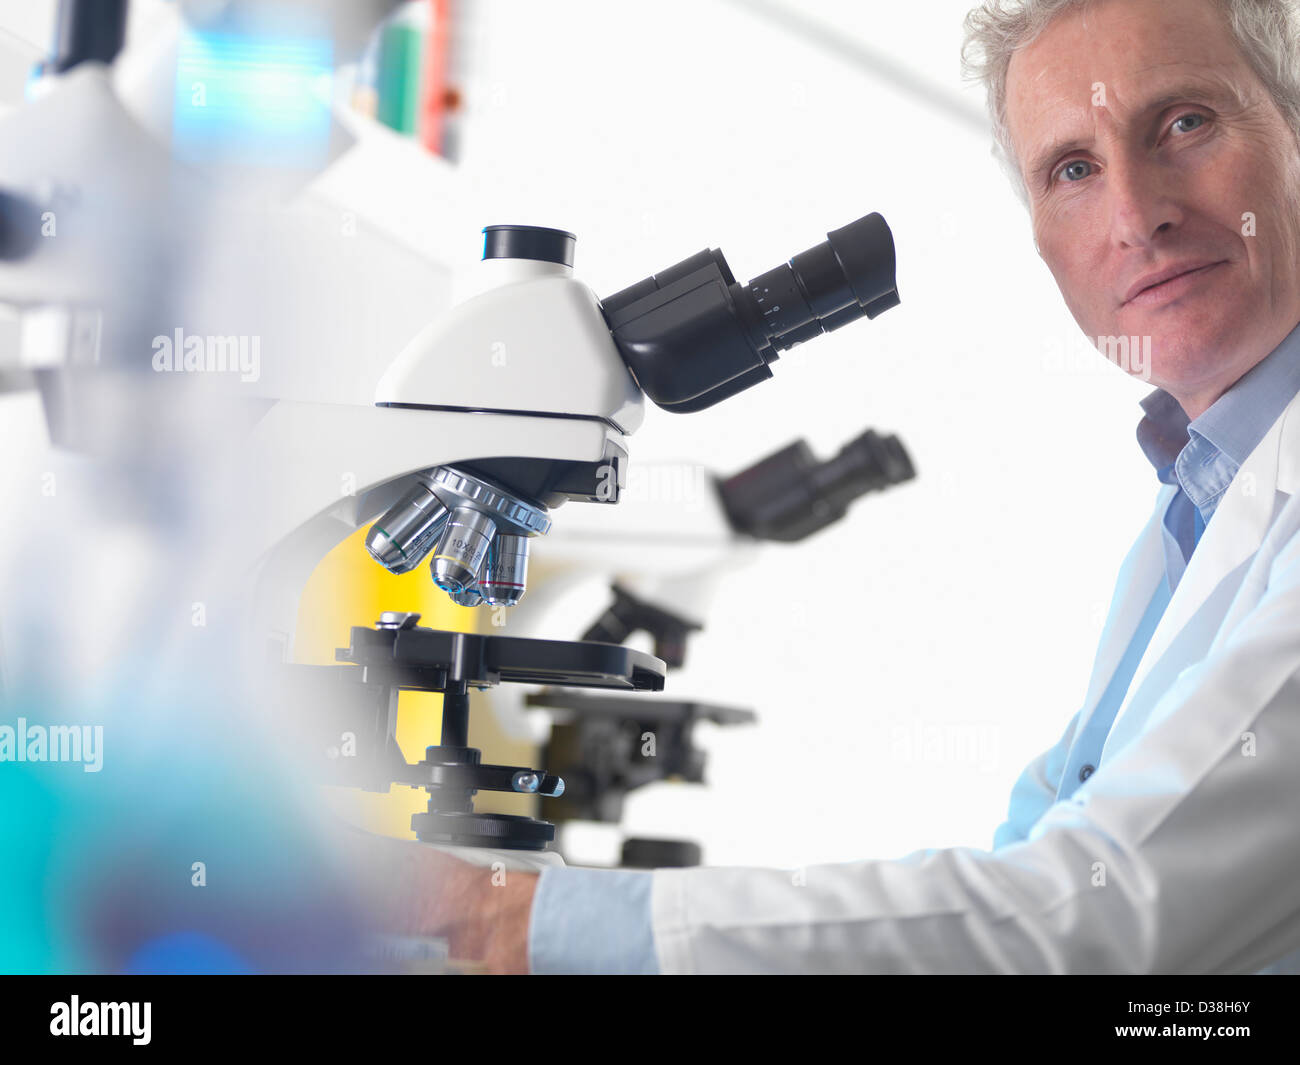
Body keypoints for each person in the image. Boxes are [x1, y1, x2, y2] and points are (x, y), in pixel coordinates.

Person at [351, 0, 1300, 974]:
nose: (1136, 215)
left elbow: (1100, 918)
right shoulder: (1196, 496)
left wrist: (524, 922)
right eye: (1073, 169)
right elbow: (1035, 849)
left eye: (1185, 123)